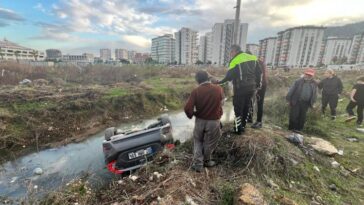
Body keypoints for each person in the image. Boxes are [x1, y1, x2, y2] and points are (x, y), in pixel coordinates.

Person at [216, 45, 262, 134]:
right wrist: (257, 84)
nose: (230, 55)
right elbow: (259, 72)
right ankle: (243, 126)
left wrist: (219, 82)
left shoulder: (235, 60)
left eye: (231, 52)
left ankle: (238, 129)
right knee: (247, 106)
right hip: (251, 88)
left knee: (238, 109)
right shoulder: (253, 58)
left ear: (234, 51)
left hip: (240, 88)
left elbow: (229, 77)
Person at [184, 70, 224, 172]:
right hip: (214, 121)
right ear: (208, 78)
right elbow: (222, 103)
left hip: (200, 121)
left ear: (197, 80)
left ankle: (198, 165)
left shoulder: (196, 91)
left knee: (198, 141)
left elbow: (187, 108)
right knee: (210, 142)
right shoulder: (218, 89)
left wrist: (192, 114)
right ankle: (207, 161)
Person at [286, 68, 317, 132]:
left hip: (306, 103)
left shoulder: (314, 83)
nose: (308, 76)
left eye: (310, 75)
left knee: (302, 117)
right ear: (305, 74)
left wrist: (313, 103)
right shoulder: (298, 81)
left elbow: (314, 93)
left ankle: (299, 130)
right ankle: (291, 129)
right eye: (307, 74)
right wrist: (288, 100)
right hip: (296, 101)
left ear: (312, 76)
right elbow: (291, 90)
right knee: (294, 116)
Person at [251, 57, 268, 129]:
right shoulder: (262, 66)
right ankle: (256, 120)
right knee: (257, 103)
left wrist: (257, 88)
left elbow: (259, 80)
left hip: (260, 87)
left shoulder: (259, 67)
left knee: (259, 104)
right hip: (261, 86)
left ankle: (259, 122)